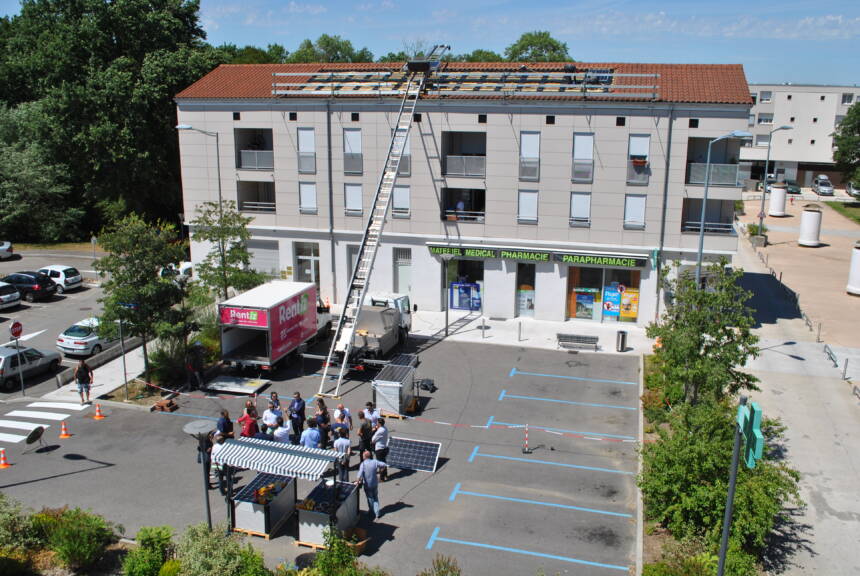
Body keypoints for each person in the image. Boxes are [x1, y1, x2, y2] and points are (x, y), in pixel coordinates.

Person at [355, 450, 387, 521]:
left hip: (367, 485)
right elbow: (384, 465)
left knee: (370, 498)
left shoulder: (363, 464)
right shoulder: (374, 462)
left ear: (365, 457)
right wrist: (380, 472)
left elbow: (359, 475)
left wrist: (357, 482)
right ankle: (377, 513)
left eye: (363, 455)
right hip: (375, 483)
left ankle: (371, 511)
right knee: (375, 497)